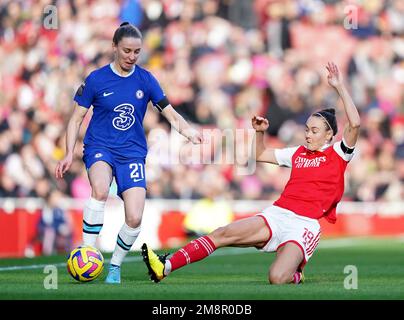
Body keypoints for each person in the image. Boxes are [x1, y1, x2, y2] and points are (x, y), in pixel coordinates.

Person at [141, 62, 360, 284]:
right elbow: (261, 154)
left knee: (276, 278)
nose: (308, 135)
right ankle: (165, 265)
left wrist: (339, 86)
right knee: (221, 234)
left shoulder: (339, 154)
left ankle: (296, 274)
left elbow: (355, 124)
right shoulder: (298, 153)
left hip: (304, 225)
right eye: (306, 130)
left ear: (329, 134)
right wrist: (259, 132)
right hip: (277, 214)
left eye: (314, 131)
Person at [55, 22, 203, 284]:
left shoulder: (146, 79)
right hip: (99, 146)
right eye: (127, 51)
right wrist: (69, 153)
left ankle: (114, 266)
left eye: (137, 51)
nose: (132, 56)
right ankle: (88, 251)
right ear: (114, 47)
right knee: (100, 190)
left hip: (132, 153)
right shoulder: (96, 79)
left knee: (134, 217)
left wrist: (189, 132)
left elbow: (169, 112)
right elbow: (76, 119)